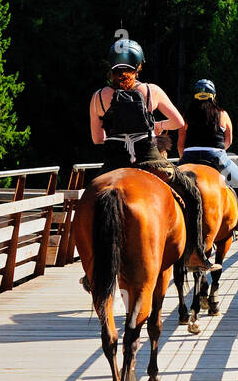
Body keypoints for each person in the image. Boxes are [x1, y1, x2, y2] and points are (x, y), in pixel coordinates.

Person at [89, 38, 219, 272]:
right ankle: (195, 255)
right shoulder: (151, 91)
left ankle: (92, 269)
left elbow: (97, 139)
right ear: (138, 66)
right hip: (150, 160)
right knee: (192, 195)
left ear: (111, 67)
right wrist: (156, 127)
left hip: (114, 163)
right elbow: (178, 122)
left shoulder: (98, 97)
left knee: (90, 204)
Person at [178, 79, 238, 235]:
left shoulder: (187, 116)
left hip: (189, 155)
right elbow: (229, 140)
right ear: (213, 96)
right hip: (215, 156)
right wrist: (219, 151)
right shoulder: (222, 114)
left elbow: (180, 143)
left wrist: (183, 159)